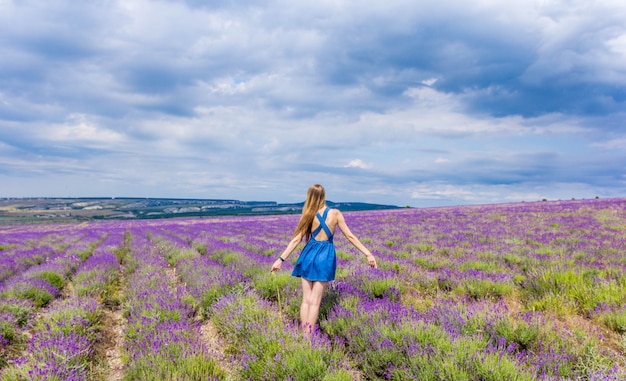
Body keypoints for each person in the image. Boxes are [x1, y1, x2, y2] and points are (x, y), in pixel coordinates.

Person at [271, 184, 378, 336]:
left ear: (309, 196)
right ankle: (308, 339)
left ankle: (303, 335)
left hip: (308, 255)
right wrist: (368, 253)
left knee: (306, 300)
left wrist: (280, 259)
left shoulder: (308, 214)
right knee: (315, 301)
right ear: (324, 196)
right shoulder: (335, 213)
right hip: (324, 257)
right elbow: (350, 236)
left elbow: (296, 240)